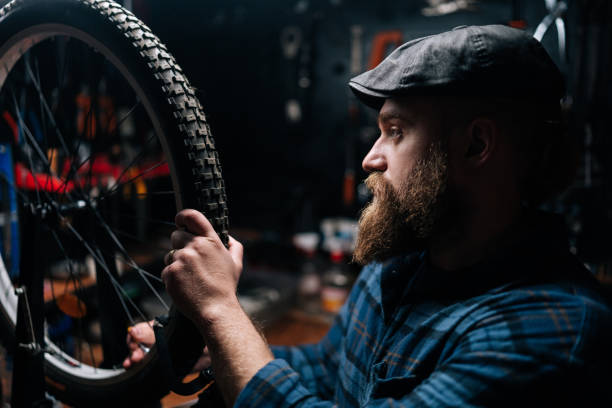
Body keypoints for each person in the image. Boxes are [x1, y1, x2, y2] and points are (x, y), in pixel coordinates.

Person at [125, 25, 612, 407]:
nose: (371, 158)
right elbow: (333, 365)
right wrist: (215, 350)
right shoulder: (408, 258)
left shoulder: (550, 330)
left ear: (475, 144)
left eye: (396, 130)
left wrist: (218, 310)